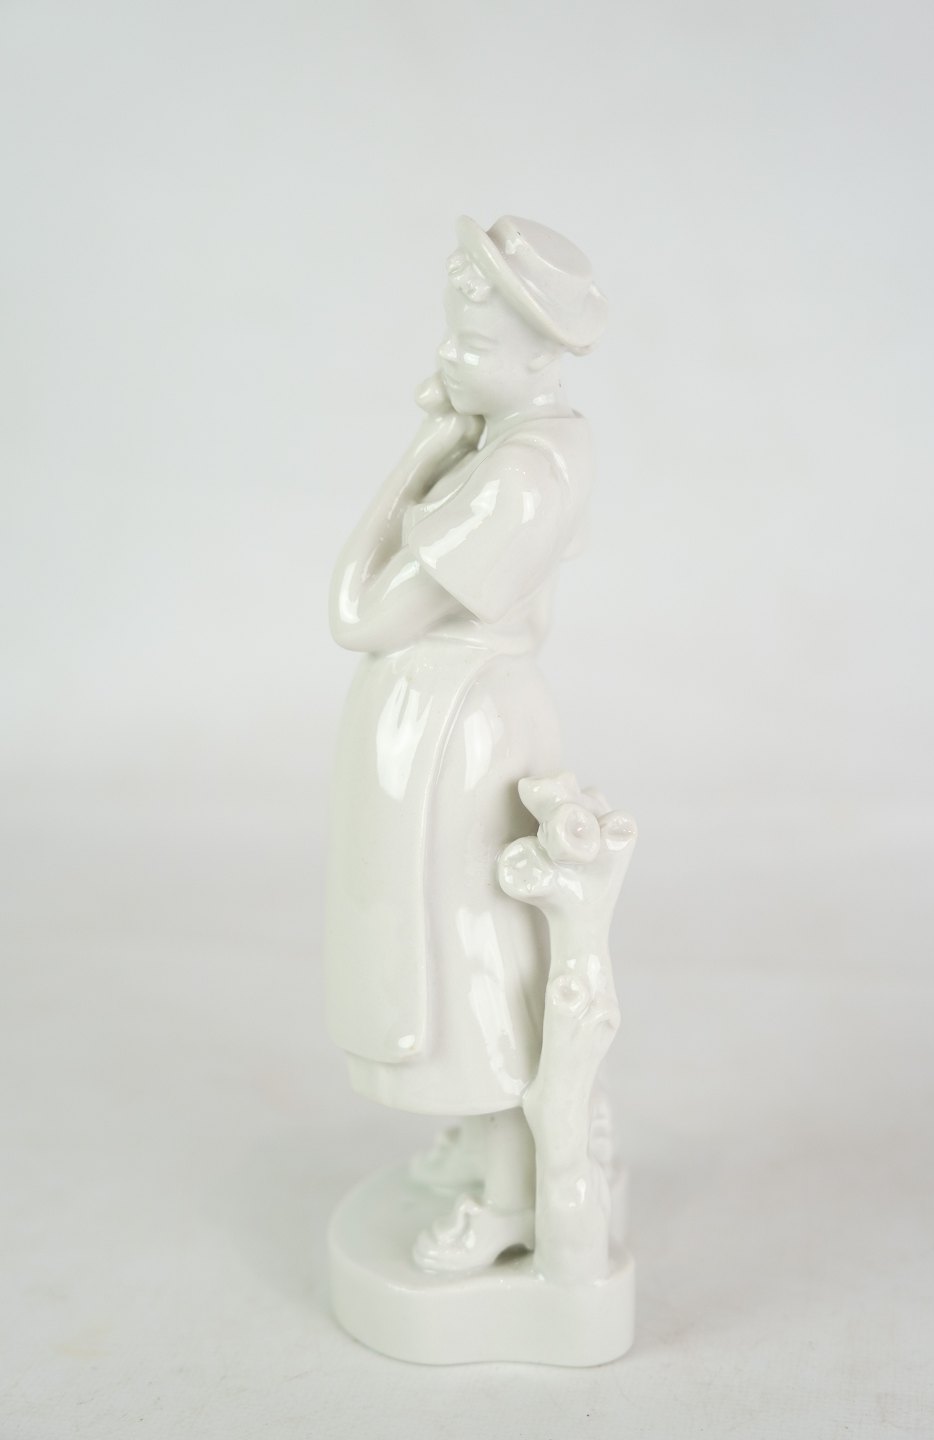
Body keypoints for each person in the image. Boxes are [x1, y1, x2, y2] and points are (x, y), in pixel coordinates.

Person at [324, 214, 607, 1272]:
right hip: (444, 722)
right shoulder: (518, 445)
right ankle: (488, 1146)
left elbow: (358, 610)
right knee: (445, 947)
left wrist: (419, 453)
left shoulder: (517, 474)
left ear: (540, 360)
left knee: (472, 950)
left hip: (461, 731)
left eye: (474, 345)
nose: (447, 360)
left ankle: (511, 1191)